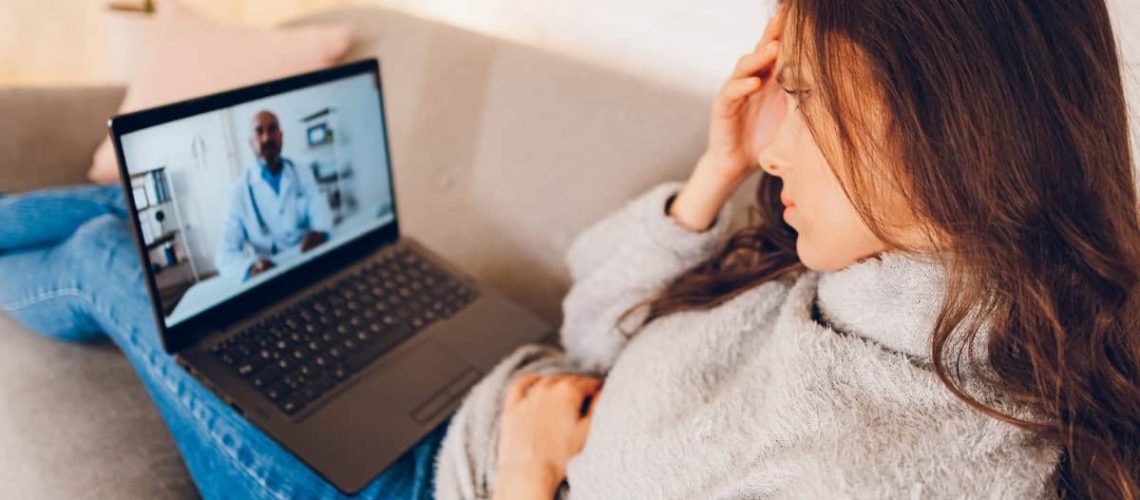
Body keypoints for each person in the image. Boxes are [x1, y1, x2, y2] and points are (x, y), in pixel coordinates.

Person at [1, 1, 1137, 499]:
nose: (773, 125)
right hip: (499, 389)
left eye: (801, 91)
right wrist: (713, 172)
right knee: (151, 244)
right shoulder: (872, 287)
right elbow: (608, 334)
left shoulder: (886, 458)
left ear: (936, 113)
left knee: (118, 252)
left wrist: (533, 474)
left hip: (410, 481)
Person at [216, 110, 333, 280]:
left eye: (272, 130)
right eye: (259, 132)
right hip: (271, 275)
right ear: (251, 142)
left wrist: (320, 231)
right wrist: (250, 268)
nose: (266, 138)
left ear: (281, 136)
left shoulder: (302, 172)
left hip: (309, 261)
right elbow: (224, 255)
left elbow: (321, 211)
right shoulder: (238, 192)